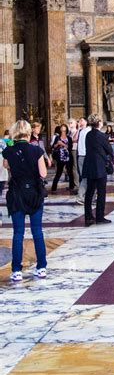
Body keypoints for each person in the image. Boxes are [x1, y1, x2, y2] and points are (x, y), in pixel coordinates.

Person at [2, 120, 47, 282]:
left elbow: (6, 166)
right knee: (37, 231)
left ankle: (16, 270)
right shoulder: (36, 150)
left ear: (14, 132)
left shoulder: (8, 151)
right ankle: (41, 267)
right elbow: (42, 173)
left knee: (18, 233)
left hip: (17, 194)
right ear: (28, 132)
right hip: (34, 193)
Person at [82, 113, 114, 227]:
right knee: (101, 193)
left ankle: (88, 217)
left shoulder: (88, 135)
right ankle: (99, 217)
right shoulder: (102, 136)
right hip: (100, 167)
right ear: (99, 123)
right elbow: (110, 150)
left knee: (89, 193)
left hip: (90, 166)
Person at [51, 123, 76, 194]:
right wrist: (57, 144)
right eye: (62, 131)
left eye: (64, 131)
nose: (63, 132)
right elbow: (54, 147)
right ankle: (53, 188)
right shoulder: (57, 138)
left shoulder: (69, 138)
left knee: (70, 173)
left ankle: (71, 187)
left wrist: (63, 144)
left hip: (68, 157)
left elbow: (70, 147)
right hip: (60, 157)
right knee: (58, 173)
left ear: (66, 131)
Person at [76, 117, 90, 205]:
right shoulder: (80, 131)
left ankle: (82, 196)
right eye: (79, 120)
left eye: (81, 120)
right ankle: (82, 197)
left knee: (87, 177)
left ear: (86, 122)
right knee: (84, 177)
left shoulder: (88, 130)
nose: (80, 122)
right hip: (81, 155)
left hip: (86, 155)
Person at [68, 119, 79, 189]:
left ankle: (77, 185)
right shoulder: (70, 132)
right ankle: (73, 184)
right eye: (69, 123)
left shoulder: (77, 131)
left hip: (75, 149)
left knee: (75, 167)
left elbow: (74, 139)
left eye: (71, 123)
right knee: (71, 168)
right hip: (70, 150)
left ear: (75, 124)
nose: (69, 124)